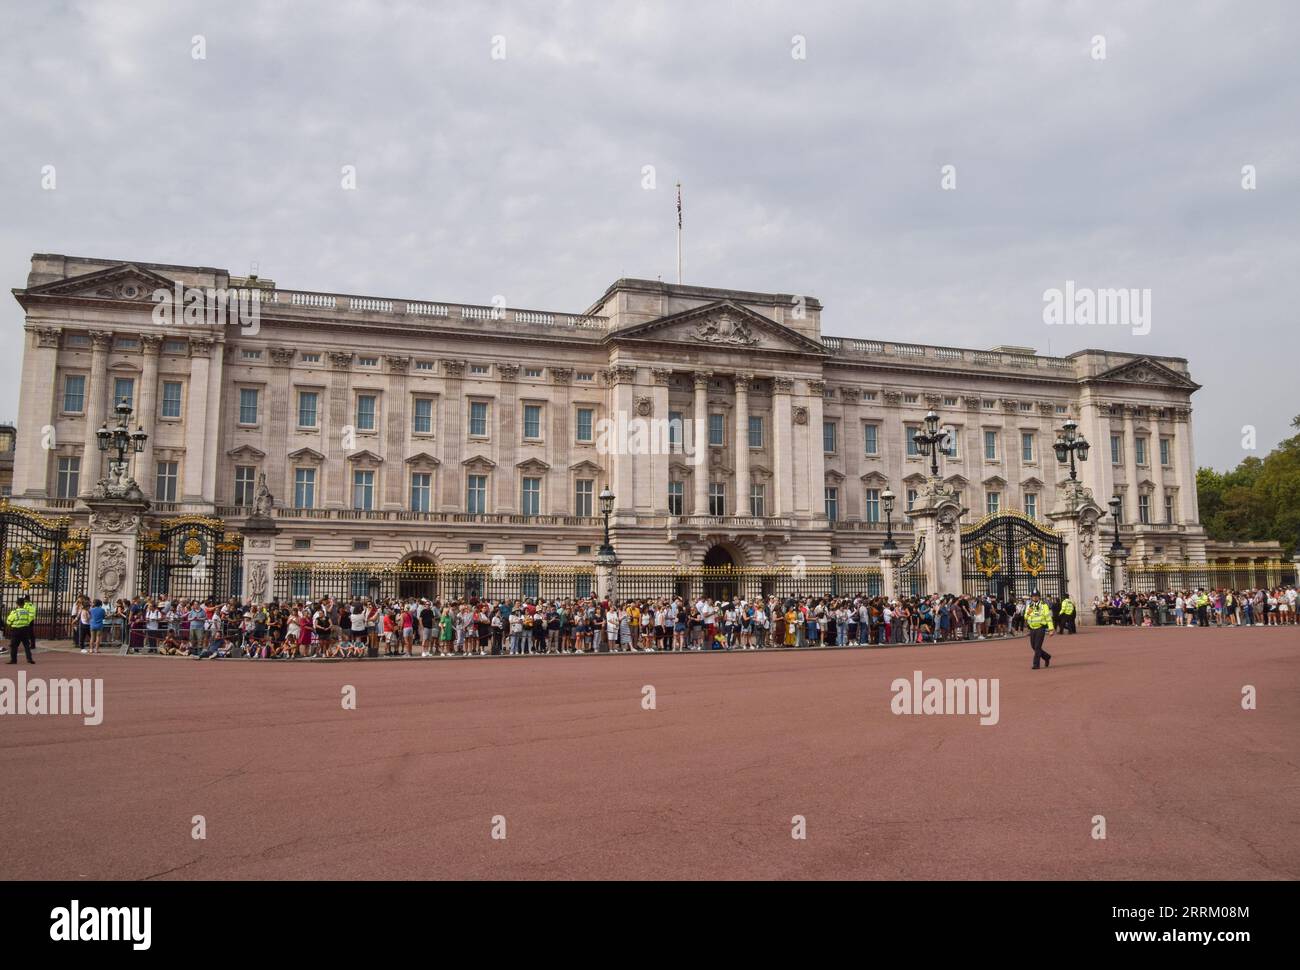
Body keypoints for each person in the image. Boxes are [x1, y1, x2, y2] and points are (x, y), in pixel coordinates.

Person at [1024, 590, 1054, 670]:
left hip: (1041, 628)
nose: (1035, 597)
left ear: (1039, 597)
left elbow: (1048, 618)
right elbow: (1026, 617)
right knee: (1033, 646)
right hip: (1032, 628)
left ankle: (1036, 664)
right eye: (1033, 596)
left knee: (1037, 647)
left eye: (1036, 596)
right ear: (1031, 597)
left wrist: (1051, 629)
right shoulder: (1030, 606)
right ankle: (1047, 657)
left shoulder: (1044, 605)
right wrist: (1028, 613)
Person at [6, 596, 38, 664]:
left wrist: (10, 624)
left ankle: (13, 660)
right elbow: (29, 620)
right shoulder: (26, 612)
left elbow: (8, 621)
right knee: (26, 645)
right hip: (25, 630)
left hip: (16, 630)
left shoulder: (15, 612)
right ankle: (29, 659)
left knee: (14, 646)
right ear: (24, 604)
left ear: (17, 604)